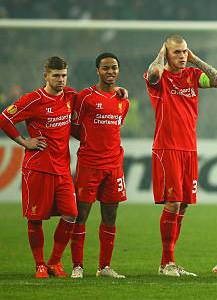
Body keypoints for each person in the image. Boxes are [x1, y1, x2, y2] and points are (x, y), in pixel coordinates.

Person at [144, 35, 217, 277]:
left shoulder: (191, 75)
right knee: (174, 202)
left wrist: (195, 59)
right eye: (176, 52)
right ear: (167, 54)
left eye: (184, 52)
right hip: (167, 147)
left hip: (189, 148)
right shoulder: (159, 77)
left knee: (185, 204)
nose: (181, 56)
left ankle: (169, 261)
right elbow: (152, 74)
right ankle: (166, 262)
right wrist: (161, 53)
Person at [0, 56, 78, 278]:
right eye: (56, 76)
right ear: (46, 76)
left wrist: (119, 90)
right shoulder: (33, 100)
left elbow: (93, 97)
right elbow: (4, 118)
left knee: (71, 214)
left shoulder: (70, 96)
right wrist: (25, 142)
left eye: (63, 75)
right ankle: (40, 265)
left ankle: (54, 262)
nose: (61, 80)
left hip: (62, 169)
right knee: (36, 218)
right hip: (38, 168)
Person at [70, 52, 130, 279]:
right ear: (97, 71)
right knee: (81, 214)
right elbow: (74, 127)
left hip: (114, 165)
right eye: (106, 68)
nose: (111, 72)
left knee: (111, 215)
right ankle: (78, 266)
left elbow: (116, 127)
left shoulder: (123, 100)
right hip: (89, 164)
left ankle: (104, 267)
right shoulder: (85, 97)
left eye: (114, 67)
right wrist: (90, 143)